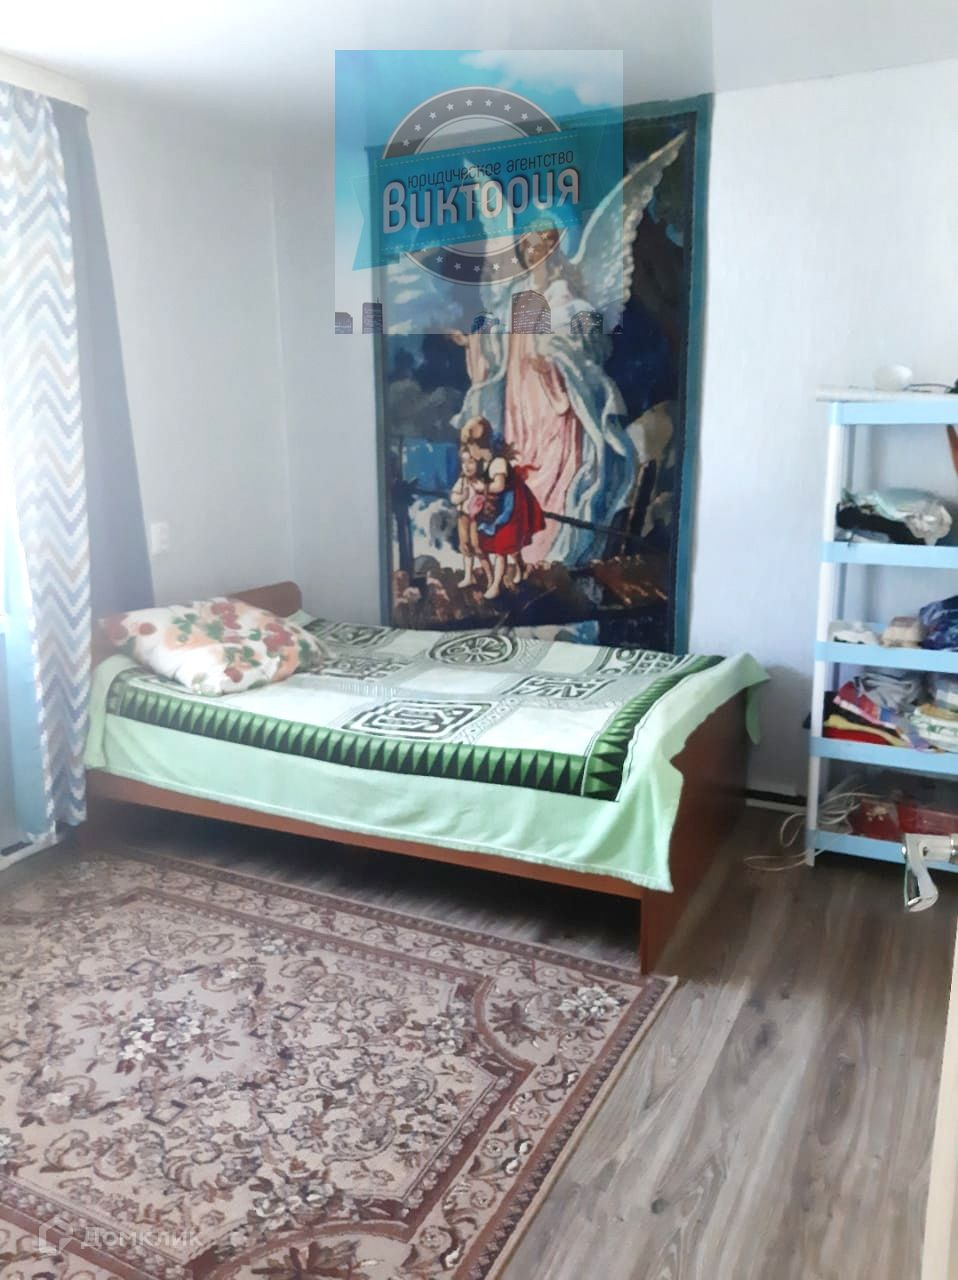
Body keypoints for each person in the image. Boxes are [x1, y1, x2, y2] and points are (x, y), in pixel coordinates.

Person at [461, 416, 545, 600]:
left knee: (502, 547)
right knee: (509, 546)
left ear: (478, 445)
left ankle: (496, 585)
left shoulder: (498, 462)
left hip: (510, 506)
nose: (469, 451)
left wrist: (482, 488)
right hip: (497, 507)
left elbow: (499, 486)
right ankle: (521, 567)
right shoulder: (484, 462)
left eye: (470, 446)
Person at [449, 447, 490, 589]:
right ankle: (468, 576)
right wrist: (462, 497)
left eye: (471, 462)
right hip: (463, 517)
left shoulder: (480, 482)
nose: (466, 466)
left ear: (478, 464)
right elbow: (453, 498)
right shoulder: (461, 481)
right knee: (465, 546)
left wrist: (481, 491)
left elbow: (487, 496)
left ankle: (489, 576)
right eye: (463, 461)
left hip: (476, 519)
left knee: (477, 546)